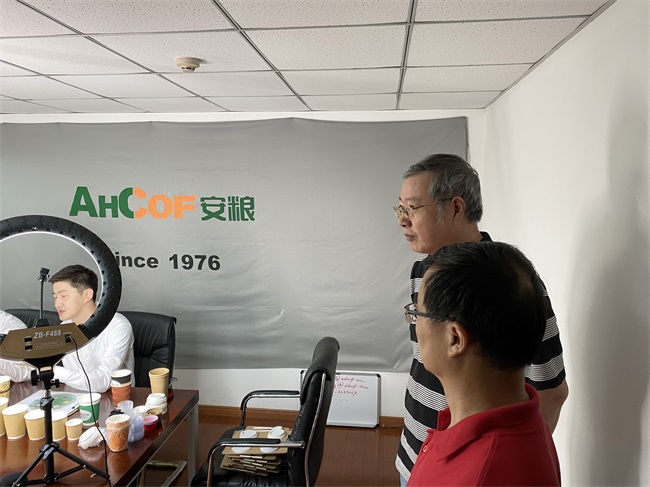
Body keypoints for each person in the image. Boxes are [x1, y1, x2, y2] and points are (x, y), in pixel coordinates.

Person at [394, 154, 568, 484]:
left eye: (412, 208)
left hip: (469, 467)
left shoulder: (509, 284)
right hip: (419, 452)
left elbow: (552, 389)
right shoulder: (422, 270)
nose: (403, 220)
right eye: (400, 209)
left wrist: (504, 457)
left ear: (456, 207)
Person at [406, 242, 561, 486]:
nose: (414, 322)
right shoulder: (524, 420)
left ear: (455, 338)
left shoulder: (480, 473)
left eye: (418, 312)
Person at [0, 265, 134, 393]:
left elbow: (103, 381)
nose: (57, 304)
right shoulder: (64, 328)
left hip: (114, 400)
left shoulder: (117, 326)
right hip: (74, 398)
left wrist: (52, 370)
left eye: (64, 296)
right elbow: (24, 374)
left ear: (87, 295)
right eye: (55, 297)